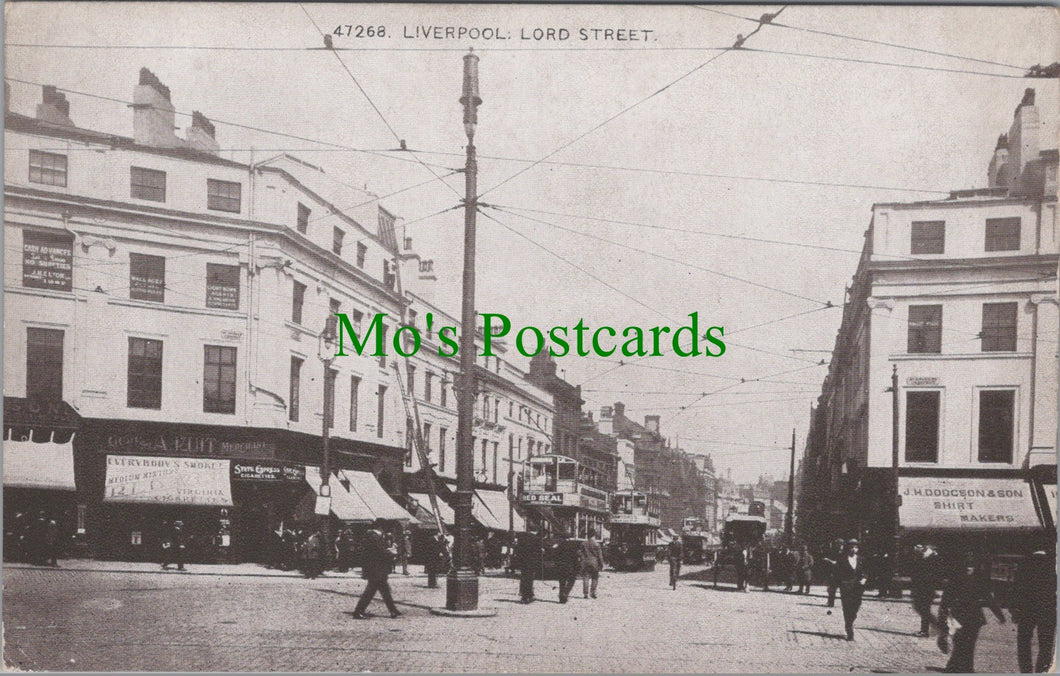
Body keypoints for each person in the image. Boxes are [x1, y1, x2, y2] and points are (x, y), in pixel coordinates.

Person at [937, 551, 1005, 673]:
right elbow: (988, 598)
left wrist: (943, 614)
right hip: (972, 616)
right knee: (966, 643)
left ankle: (957, 667)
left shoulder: (956, 578)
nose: (969, 567)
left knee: (962, 642)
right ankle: (962, 668)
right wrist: (999, 615)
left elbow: (946, 599)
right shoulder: (977, 578)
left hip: (962, 614)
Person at [1013, 547, 1056, 673]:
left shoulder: (1024, 563)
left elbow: (1017, 588)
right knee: (1046, 645)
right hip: (1047, 608)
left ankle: (1025, 671)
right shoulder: (1053, 564)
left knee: (1023, 641)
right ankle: (1041, 671)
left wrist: (1015, 609)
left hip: (1027, 608)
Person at [352, 519, 401, 619]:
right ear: (380, 527)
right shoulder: (374, 537)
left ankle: (393, 610)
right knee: (371, 592)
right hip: (375, 568)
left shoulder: (373, 536)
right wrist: (391, 552)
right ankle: (358, 612)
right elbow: (379, 552)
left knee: (384, 590)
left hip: (376, 568)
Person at [833, 538, 866, 641]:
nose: (853, 549)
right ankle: (849, 627)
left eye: (856, 547)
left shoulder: (860, 559)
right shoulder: (842, 559)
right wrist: (841, 583)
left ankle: (849, 622)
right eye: (851, 547)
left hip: (857, 587)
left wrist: (864, 578)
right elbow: (837, 573)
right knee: (847, 607)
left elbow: (864, 571)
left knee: (856, 606)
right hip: (846, 586)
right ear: (848, 548)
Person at [909, 543, 942, 637]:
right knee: (923, 608)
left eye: (918, 548)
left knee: (923, 609)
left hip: (926, 588)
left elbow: (932, 575)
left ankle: (927, 630)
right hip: (924, 588)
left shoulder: (931, 559)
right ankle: (928, 629)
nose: (915, 549)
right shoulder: (924, 557)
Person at [515, 531, 542, 603]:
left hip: (523, 561)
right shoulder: (536, 539)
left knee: (524, 577)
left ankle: (524, 595)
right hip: (532, 562)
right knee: (530, 578)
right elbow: (539, 552)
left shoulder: (522, 538)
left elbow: (517, 550)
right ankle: (529, 596)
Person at [579, 528, 605, 599]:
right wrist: (601, 565)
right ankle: (592, 592)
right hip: (594, 563)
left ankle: (585, 594)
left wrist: (581, 561)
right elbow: (600, 556)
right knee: (595, 577)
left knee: (585, 577)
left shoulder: (583, 544)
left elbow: (580, 553)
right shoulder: (597, 544)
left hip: (585, 562)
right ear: (594, 535)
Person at [555, 537, 581, 604]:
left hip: (561, 566)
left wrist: (556, 564)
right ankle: (566, 593)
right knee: (572, 580)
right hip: (569, 566)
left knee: (562, 582)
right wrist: (577, 566)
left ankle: (561, 598)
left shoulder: (559, 546)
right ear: (569, 538)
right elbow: (575, 557)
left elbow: (555, 556)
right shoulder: (572, 546)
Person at [821, 538, 845, 608]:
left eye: (839, 544)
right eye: (837, 544)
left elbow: (837, 563)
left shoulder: (844, 553)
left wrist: (828, 560)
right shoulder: (834, 551)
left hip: (842, 573)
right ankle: (831, 603)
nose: (838, 546)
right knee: (832, 589)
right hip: (834, 573)